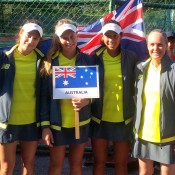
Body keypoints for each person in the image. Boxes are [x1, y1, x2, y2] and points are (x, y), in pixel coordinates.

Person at [40, 18, 94, 175]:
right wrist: (45, 127)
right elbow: (44, 98)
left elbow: (94, 92)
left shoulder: (87, 60)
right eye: (65, 37)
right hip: (57, 125)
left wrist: (87, 100)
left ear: (77, 36)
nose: (69, 41)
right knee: (56, 164)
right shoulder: (50, 62)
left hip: (80, 122)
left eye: (72, 37)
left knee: (76, 164)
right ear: (58, 38)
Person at [90, 20, 138, 175]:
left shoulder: (131, 58)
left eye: (115, 35)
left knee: (121, 163)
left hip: (123, 120)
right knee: (99, 162)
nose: (111, 39)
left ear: (121, 36)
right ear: (103, 38)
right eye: (108, 36)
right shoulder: (94, 58)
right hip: (99, 119)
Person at [0, 20, 44, 175]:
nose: (31, 40)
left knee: (29, 163)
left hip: (31, 122)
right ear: (20, 34)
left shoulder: (44, 60)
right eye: (28, 35)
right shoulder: (4, 57)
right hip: (7, 123)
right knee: (6, 167)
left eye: (36, 38)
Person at [133, 29, 175, 175]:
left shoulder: (173, 70)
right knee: (144, 172)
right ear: (147, 46)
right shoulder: (140, 68)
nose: (155, 48)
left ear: (167, 45)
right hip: (144, 133)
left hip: (168, 135)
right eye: (152, 44)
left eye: (159, 44)